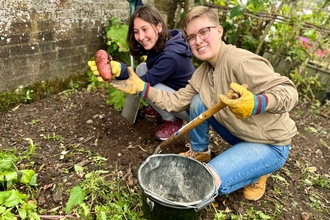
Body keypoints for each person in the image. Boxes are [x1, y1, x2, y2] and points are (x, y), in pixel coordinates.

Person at [107, 5, 299, 201]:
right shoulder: (203, 73)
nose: (198, 41)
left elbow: (289, 91)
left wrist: (257, 103)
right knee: (198, 100)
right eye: (191, 37)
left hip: (270, 143)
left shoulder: (240, 61)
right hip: (240, 134)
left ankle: (257, 170)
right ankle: (201, 152)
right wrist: (143, 88)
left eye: (204, 32)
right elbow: (176, 101)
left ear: (219, 31)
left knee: (206, 179)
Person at [89, 5, 195, 141]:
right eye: (136, 31)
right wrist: (115, 68)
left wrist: (120, 70)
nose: (140, 36)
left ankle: (172, 120)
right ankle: (160, 109)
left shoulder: (171, 56)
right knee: (142, 68)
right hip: (176, 92)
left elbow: (141, 83)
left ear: (159, 27)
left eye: (145, 29)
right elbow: (143, 74)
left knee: (145, 86)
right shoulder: (166, 39)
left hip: (187, 108)